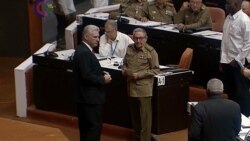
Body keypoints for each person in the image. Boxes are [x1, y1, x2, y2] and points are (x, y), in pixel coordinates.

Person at [73, 25, 112, 141]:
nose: (98, 39)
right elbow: (86, 75)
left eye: (98, 37)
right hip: (90, 99)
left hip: (85, 97)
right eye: (95, 37)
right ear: (86, 37)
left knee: (86, 128)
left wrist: (100, 72)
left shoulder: (82, 49)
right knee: (93, 128)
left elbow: (87, 70)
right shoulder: (85, 52)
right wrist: (103, 79)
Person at [122, 28, 160, 141]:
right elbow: (124, 63)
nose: (138, 41)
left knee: (145, 119)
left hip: (144, 89)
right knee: (135, 118)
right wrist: (124, 70)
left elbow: (156, 70)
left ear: (146, 38)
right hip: (131, 87)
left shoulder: (151, 52)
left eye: (141, 38)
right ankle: (137, 138)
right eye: (136, 38)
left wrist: (140, 75)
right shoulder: (129, 48)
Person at [220, 0, 250, 116]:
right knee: (230, 91)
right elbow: (224, 40)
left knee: (241, 93)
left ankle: (246, 118)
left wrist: (237, 59)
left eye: (228, 4)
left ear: (236, 5)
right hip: (226, 61)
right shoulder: (228, 18)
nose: (226, 5)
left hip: (239, 63)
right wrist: (221, 60)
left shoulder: (244, 20)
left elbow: (248, 43)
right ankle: (232, 116)